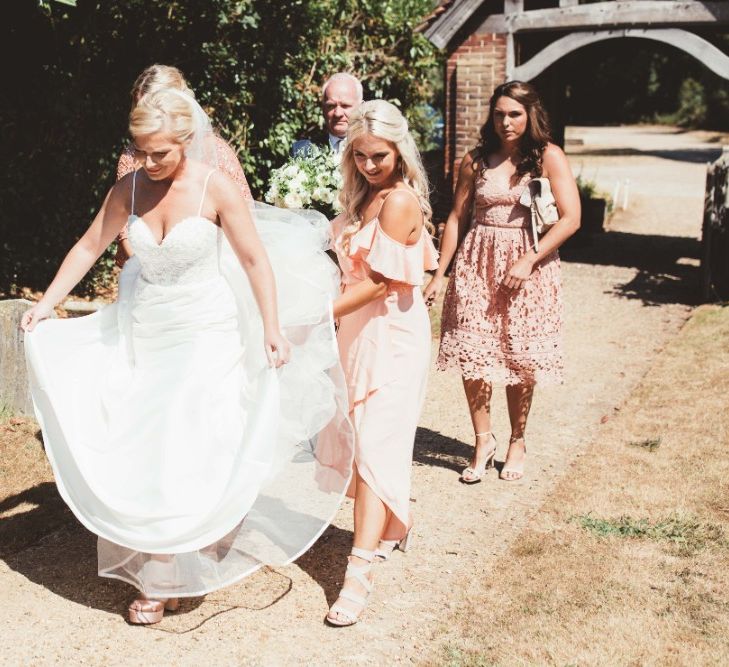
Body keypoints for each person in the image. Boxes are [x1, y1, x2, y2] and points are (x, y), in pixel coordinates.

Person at [22, 88, 353, 624]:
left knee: (187, 439)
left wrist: (271, 327)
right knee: (146, 445)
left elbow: (254, 260)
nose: (149, 163)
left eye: (161, 153)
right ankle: (168, 556)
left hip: (207, 332)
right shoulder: (128, 188)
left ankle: (161, 576)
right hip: (146, 330)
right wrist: (46, 305)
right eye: (141, 151)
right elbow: (89, 246)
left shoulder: (214, 186)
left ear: (185, 140)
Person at [423, 81, 580, 483]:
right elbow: (457, 217)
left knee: (519, 356)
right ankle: (482, 440)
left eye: (514, 114)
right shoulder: (475, 161)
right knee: (474, 351)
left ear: (529, 116)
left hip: (529, 264)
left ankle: (517, 439)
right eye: (499, 114)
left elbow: (571, 218)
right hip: (477, 262)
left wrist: (530, 259)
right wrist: (440, 273)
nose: (506, 122)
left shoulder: (548, 157)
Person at [326, 100, 439, 626]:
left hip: (392, 335)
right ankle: (393, 522)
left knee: (373, 447)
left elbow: (379, 282)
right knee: (359, 444)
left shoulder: (399, 202)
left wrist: (315, 312)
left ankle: (358, 571)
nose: (370, 165)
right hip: (355, 332)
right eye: (362, 156)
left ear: (399, 151)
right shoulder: (361, 199)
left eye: (380, 156)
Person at [116, 64, 252, 266]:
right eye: (140, 109)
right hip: (143, 274)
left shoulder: (218, 152)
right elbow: (122, 228)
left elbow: (247, 219)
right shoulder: (131, 156)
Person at [291, 72, 363, 157]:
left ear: (361, 107)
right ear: (323, 108)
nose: (337, 113)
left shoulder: (375, 148)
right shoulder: (302, 151)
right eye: (331, 106)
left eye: (345, 106)